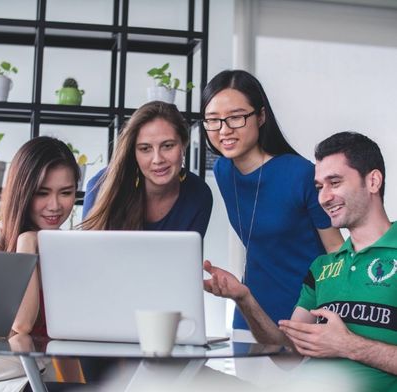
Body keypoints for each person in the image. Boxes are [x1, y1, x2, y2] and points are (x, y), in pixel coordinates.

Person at [204, 132, 397, 391]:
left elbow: (341, 346)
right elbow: (288, 354)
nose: (324, 198)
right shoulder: (323, 268)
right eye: (319, 187)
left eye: (335, 182)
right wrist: (244, 298)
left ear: (373, 181)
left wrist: (348, 345)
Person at [201, 70, 343, 337]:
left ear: (261, 116)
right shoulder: (223, 170)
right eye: (213, 120)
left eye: (236, 117)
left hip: (305, 315)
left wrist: (335, 319)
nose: (224, 130)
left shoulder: (300, 174)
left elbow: (335, 250)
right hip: (249, 315)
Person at [0, 136, 85, 388]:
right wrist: (27, 243)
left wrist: (82, 388)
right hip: (1, 377)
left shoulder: (62, 249)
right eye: (42, 193)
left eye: (66, 193)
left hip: (38, 376)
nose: (55, 206)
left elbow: (64, 340)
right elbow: (20, 326)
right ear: (23, 192)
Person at [81, 100, 213, 238]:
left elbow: (187, 257)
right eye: (145, 149)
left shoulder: (199, 194)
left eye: (167, 146)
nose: (158, 159)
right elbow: (89, 255)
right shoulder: (101, 186)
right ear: (134, 152)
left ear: (183, 144)